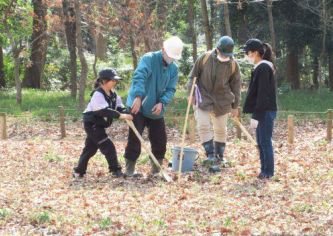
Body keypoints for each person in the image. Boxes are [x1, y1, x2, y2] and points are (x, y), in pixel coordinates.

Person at [124, 36, 184, 176]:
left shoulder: (173, 69)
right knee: (135, 137)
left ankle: (156, 170)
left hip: (156, 107)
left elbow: (170, 89)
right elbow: (139, 77)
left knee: (160, 138)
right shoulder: (149, 59)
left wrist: (162, 102)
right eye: (170, 56)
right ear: (163, 50)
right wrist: (138, 96)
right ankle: (129, 170)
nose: (171, 59)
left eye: (174, 57)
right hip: (137, 104)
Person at [187, 36, 242, 165]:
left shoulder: (233, 65)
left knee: (221, 129)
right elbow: (192, 76)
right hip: (202, 98)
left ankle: (220, 155)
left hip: (222, 100)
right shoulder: (205, 58)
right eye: (222, 54)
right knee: (203, 125)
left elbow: (236, 86)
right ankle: (210, 154)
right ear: (217, 50)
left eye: (227, 55)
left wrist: (235, 106)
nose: (224, 57)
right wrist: (191, 94)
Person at [73, 68, 133, 178]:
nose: (115, 82)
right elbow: (102, 110)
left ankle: (79, 172)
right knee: (109, 146)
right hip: (92, 125)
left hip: (99, 125)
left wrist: (128, 113)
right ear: (104, 81)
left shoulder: (114, 95)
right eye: (112, 80)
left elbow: (120, 107)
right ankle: (116, 170)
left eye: (115, 80)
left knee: (90, 149)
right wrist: (122, 116)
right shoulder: (98, 94)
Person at [242, 38, 278, 180]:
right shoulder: (260, 67)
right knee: (261, 142)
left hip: (265, 110)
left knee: (265, 142)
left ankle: (268, 172)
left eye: (247, 52)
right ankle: (264, 170)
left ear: (255, 53)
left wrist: (256, 115)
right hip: (263, 110)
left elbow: (263, 94)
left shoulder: (263, 67)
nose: (246, 55)